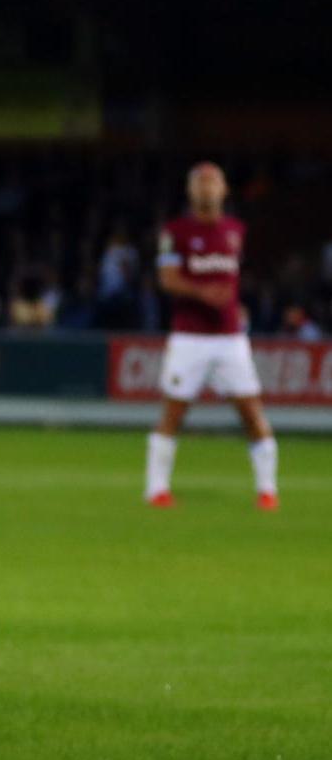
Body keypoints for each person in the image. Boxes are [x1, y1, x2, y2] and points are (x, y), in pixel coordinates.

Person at [148, 162, 278, 511]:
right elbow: (168, 279)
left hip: (229, 338)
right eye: (200, 182)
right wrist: (204, 293)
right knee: (174, 411)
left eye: (212, 182)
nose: (206, 188)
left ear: (224, 190)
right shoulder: (175, 231)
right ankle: (156, 489)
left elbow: (235, 281)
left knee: (251, 411)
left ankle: (267, 490)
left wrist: (239, 307)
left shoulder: (236, 231)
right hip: (188, 337)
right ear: (191, 191)